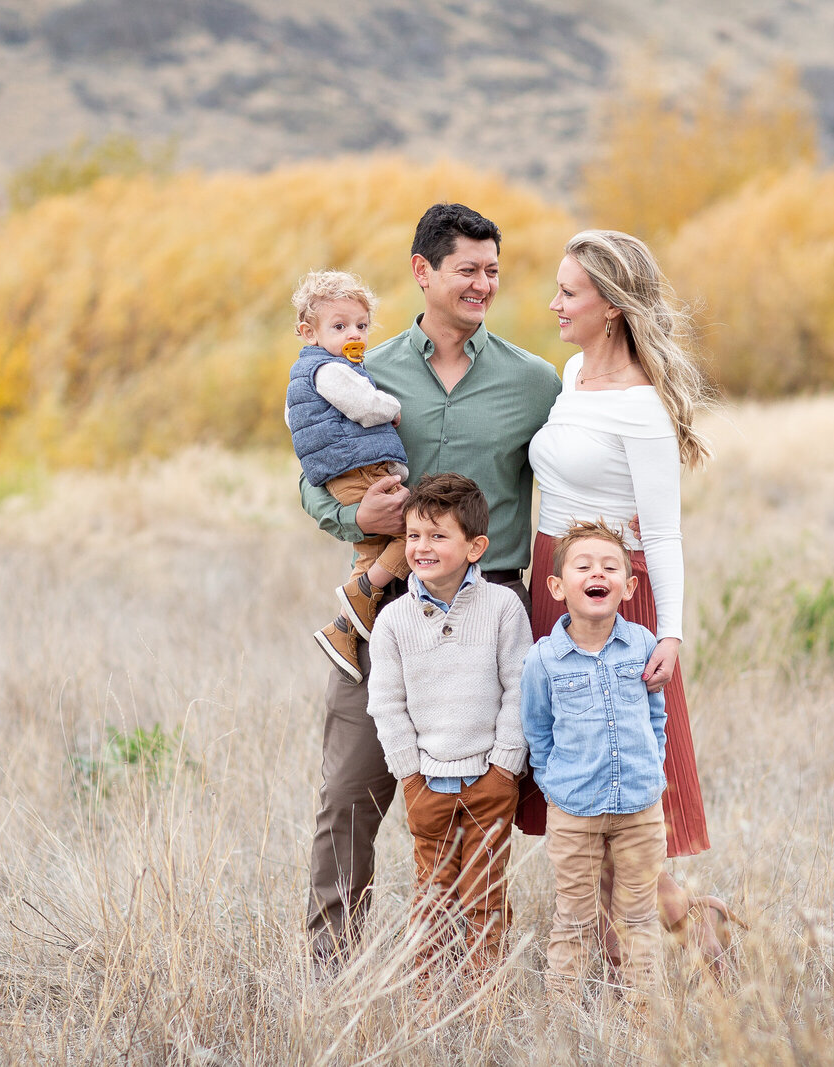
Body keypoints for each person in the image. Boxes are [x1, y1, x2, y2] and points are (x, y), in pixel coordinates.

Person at [299, 203, 561, 965]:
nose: (484, 284)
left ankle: (456, 975)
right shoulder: (358, 373)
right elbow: (314, 486)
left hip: (494, 612)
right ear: (423, 271)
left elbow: (573, 479)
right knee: (349, 794)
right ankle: (331, 972)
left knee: (479, 803)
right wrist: (358, 519)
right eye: (468, 270)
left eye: (493, 272)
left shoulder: (534, 382)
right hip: (386, 611)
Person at [519, 228, 738, 964]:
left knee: (620, 791)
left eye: (568, 292)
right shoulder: (572, 371)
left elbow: (664, 536)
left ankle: (660, 944)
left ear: (610, 305)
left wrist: (667, 633)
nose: (554, 303)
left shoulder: (641, 408)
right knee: (580, 788)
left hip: (616, 608)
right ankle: (669, 930)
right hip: (553, 594)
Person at [366, 473, 532, 983]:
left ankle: (486, 1002)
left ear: (475, 546)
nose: (422, 547)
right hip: (428, 785)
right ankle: (428, 999)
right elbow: (387, 706)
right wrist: (410, 778)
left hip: (488, 779)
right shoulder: (393, 621)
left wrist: (505, 768)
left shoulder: (503, 608)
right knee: (432, 897)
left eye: (438, 536)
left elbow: (520, 690)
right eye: (414, 536)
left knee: (485, 896)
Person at [521, 519, 668, 998]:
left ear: (627, 586)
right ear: (557, 586)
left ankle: (642, 1015)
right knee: (575, 919)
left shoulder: (643, 645)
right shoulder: (544, 660)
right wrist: (555, 786)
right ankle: (561, 1018)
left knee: (639, 916)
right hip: (574, 812)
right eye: (582, 565)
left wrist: (650, 770)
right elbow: (537, 731)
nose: (595, 573)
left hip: (640, 810)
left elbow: (656, 718)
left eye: (609, 566)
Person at [285, 270, 409, 684]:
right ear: (309, 332)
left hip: (339, 473)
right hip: (358, 471)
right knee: (416, 530)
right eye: (339, 327)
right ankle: (359, 594)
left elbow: (296, 423)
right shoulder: (333, 370)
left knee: (371, 552)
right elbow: (364, 406)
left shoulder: (301, 377)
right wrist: (391, 407)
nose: (353, 334)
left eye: (361, 325)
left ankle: (343, 630)